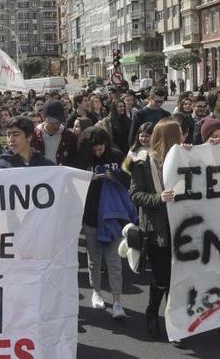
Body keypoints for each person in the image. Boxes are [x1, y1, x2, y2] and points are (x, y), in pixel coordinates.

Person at [129, 118, 182, 341]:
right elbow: (135, 194)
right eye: (178, 135)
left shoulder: (182, 156)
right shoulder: (141, 161)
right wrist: (157, 198)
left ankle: (175, 321)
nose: (183, 138)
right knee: (162, 277)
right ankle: (152, 311)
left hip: (182, 227)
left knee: (179, 277)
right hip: (157, 229)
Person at [78, 126, 131, 320]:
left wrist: (114, 176)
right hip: (91, 215)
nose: (97, 150)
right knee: (94, 258)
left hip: (114, 216)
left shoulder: (117, 154)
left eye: (100, 146)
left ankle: (117, 302)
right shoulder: (82, 158)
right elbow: (73, 182)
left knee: (114, 261)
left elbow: (130, 179)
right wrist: (86, 178)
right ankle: (97, 291)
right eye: (94, 148)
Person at [32, 100, 79, 167]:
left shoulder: (70, 137)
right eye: (52, 122)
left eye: (58, 122)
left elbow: (75, 160)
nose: (56, 126)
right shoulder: (34, 136)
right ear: (44, 117)